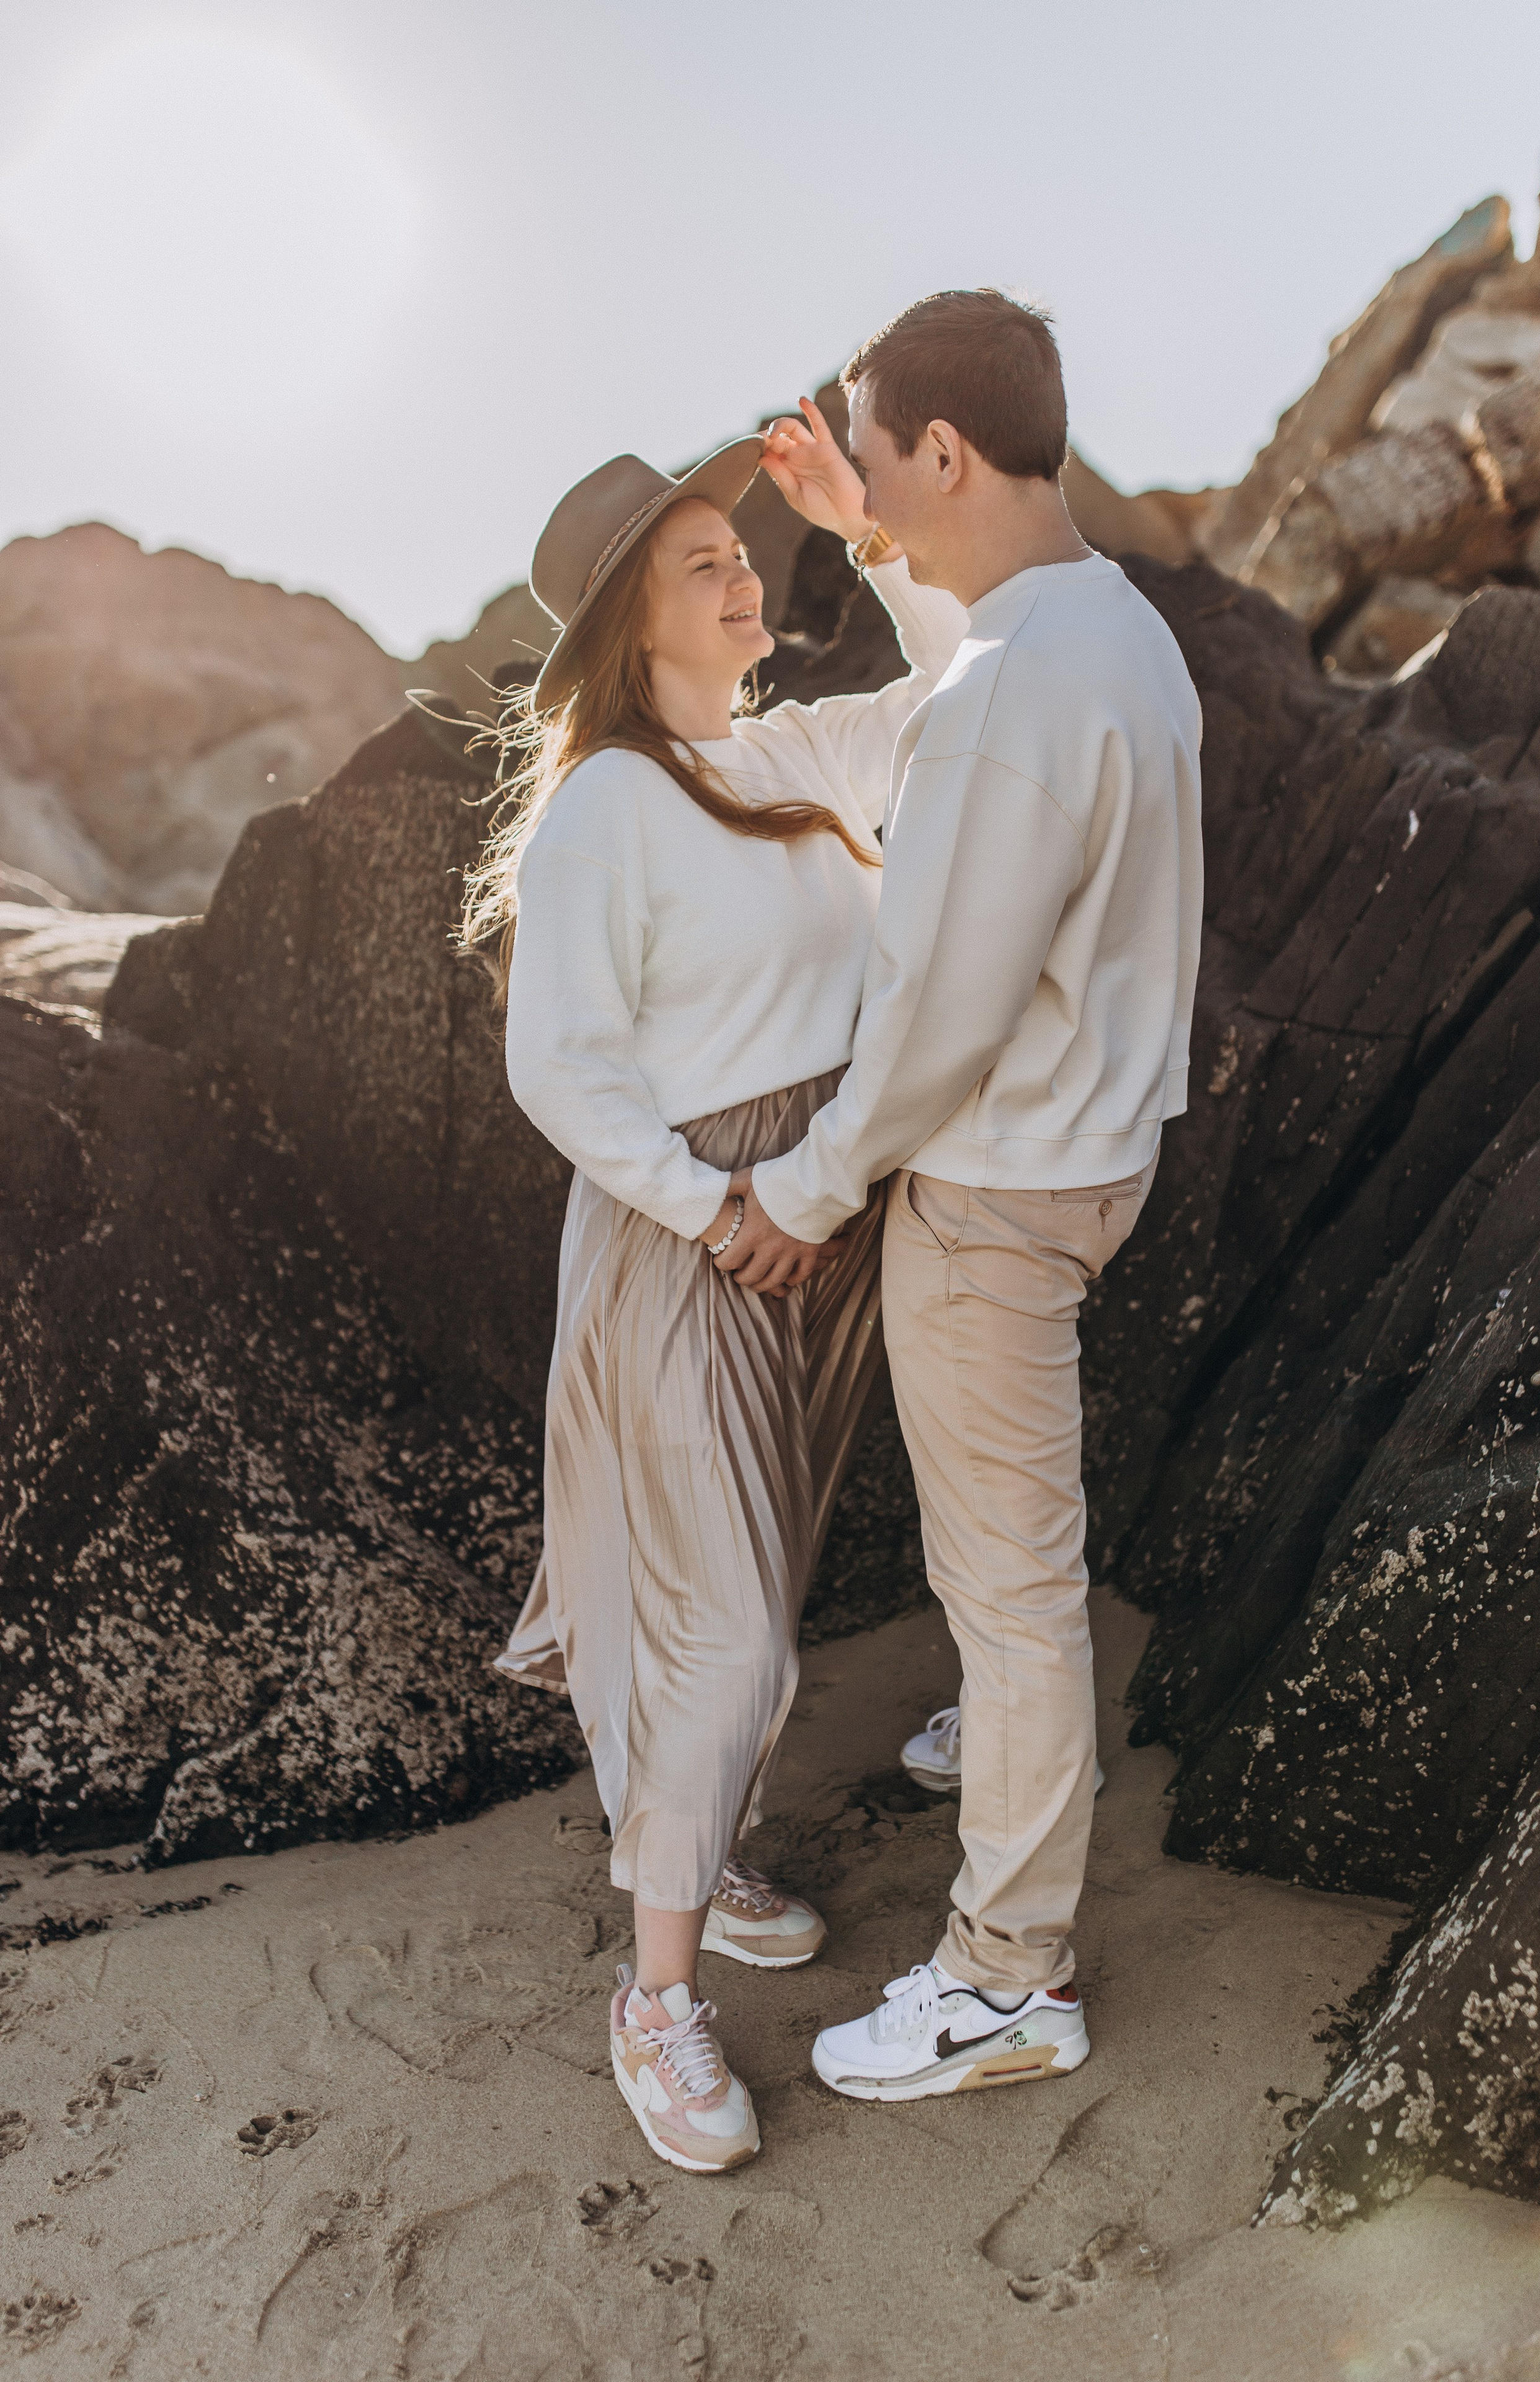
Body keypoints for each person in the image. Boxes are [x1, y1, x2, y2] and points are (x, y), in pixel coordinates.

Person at [714, 290, 1204, 2102]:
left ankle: (1008, 1976)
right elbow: (972, 670)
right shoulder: (1109, 629)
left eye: (878, 448)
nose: (862, 485)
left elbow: (933, 1017)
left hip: (994, 1200)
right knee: (1019, 1583)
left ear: (945, 448)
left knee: (1010, 1592)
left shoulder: (1013, 698)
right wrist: (865, 532)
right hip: (1095, 1163)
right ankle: (1017, 1738)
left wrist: (813, 1190)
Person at [460, 430, 965, 2172]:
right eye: (705, 561)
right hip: (694, 1232)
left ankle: (706, 1843)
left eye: (743, 552)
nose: (749, 573)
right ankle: (656, 2004)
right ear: (630, 619)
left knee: (761, 1571)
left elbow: (971, 688)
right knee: (732, 1630)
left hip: (819, 1208)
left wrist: (875, 534)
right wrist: (709, 1206)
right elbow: (560, 1064)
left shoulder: (796, 756)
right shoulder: (609, 803)